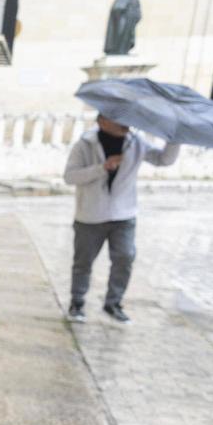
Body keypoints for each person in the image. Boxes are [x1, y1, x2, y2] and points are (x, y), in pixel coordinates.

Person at [62, 114, 180, 324]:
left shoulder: (135, 142)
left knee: (125, 258)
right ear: (102, 121)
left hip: (123, 214)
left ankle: (113, 302)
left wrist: (175, 137)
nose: (125, 122)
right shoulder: (85, 145)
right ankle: (77, 302)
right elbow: (70, 177)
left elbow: (163, 160)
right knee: (83, 262)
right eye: (118, 118)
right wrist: (102, 168)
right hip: (90, 215)